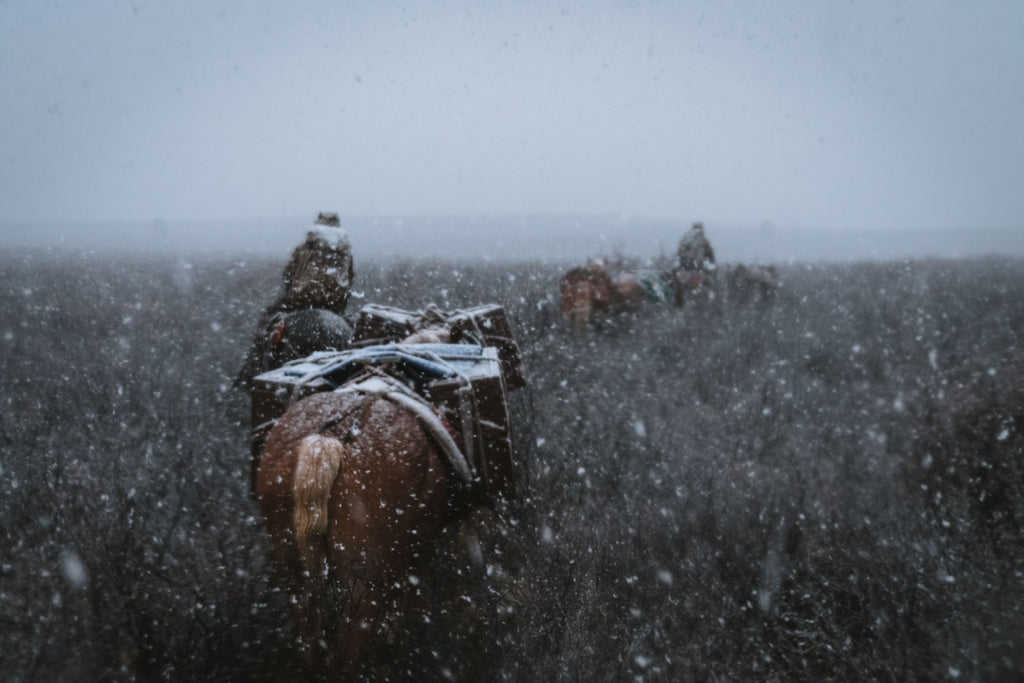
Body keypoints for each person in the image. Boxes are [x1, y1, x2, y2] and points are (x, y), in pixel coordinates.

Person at [235, 212, 355, 389]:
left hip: (298, 303)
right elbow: (349, 281)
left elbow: (289, 275)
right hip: (334, 307)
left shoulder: (304, 248)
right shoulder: (346, 253)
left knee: (265, 331)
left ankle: (249, 378)